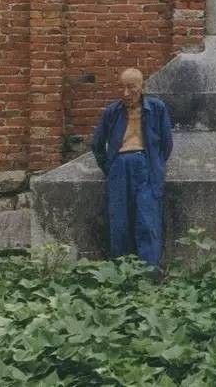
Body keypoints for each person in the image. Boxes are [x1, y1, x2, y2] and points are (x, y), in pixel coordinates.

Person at [90, 67, 173, 280]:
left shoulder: (156, 108)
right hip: (119, 167)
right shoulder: (112, 112)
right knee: (120, 221)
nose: (126, 93)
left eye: (131, 88)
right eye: (122, 88)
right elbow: (97, 144)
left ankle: (149, 276)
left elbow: (166, 144)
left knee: (147, 220)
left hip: (146, 166)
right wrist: (110, 168)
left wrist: (154, 165)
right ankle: (122, 275)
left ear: (142, 87)